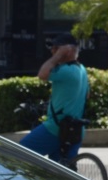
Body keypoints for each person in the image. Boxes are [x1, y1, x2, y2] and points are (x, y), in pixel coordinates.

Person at [22, 33, 88, 162]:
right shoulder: (82, 69)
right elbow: (87, 94)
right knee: (61, 174)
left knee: (20, 154)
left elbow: (41, 75)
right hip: (75, 130)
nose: (52, 51)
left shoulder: (65, 70)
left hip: (56, 128)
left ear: (67, 50)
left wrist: (57, 57)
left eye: (56, 48)